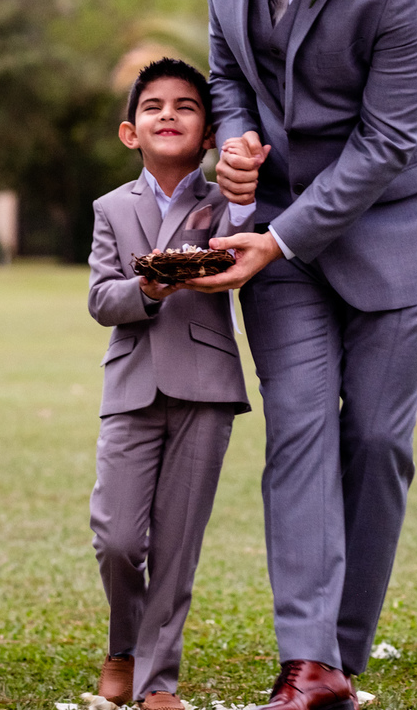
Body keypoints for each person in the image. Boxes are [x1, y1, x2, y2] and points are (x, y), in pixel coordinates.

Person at [181, 0, 417, 706]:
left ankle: (344, 648)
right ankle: (309, 663)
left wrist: (280, 240)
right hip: (278, 226)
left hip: (401, 222)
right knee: (300, 427)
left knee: (377, 437)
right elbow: (227, 72)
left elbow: (388, 141)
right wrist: (240, 142)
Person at [86, 58, 253, 710]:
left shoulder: (226, 203)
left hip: (206, 387)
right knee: (119, 540)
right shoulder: (110, 208)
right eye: (153, 106)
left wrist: (240, 202)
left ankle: (157, 681)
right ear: (131, 132)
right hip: (131, 386)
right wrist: (147, 288)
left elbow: (242, 252)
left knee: (177, 545)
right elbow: (103, 299)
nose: (168, 115)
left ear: (208, 133)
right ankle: (122, 647)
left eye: (186, 106)